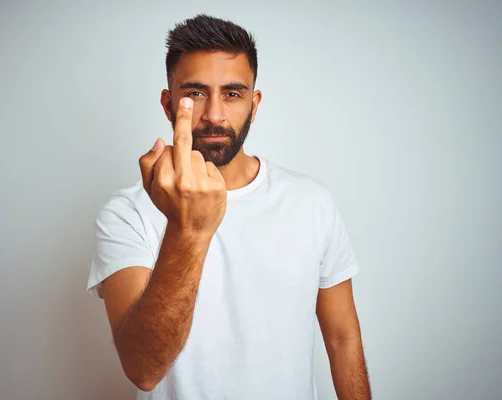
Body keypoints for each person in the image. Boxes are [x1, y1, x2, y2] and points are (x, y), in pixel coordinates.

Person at [87, 14, 371, 400]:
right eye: (196, 94)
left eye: (233, 94)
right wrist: (188, 230)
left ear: (254, 104)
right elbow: (143, 369)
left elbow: (342, 338)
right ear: (169, 104)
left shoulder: (312, 202)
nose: (215, 115)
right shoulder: (127, 214)